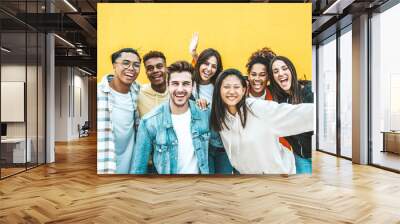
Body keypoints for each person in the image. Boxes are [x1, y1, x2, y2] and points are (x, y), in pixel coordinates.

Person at [210, 68, 314, 174]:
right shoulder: (221, 116)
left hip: (278, 175)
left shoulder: (257, 108)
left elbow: (295, 114)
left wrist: (324, 113)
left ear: (244, 90)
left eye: (236, 87)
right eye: (226, 87)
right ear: (219, 90)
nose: (231, 91)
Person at [130, 61, 215, 174]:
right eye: (175, 83)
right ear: (167, 84)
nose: (180, 89)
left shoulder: (205, 114)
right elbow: (138, 169)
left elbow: (214, 152)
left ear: (192, 85)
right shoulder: (149, 122)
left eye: (185, 84)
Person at [97, 48, 141, 174]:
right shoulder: (99, 93)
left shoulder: (138, 91)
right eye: (126, 63)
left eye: (136, 65)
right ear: (114, 66)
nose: (131, 68)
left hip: (131, 168)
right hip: (106, 165)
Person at [268, 56, 314, 174]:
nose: (281, 73)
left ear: (291, 70)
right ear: (273, 77)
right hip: (300, 157)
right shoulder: (279, 100)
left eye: (284, 68)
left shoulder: (309, 92)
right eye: (276, 71)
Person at [137, 51, 169, 118]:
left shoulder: (176, 91)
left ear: (166, 69)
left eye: (159, 66)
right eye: (150, 68)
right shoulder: (139, 93)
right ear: (146, 72)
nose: (155, 71)